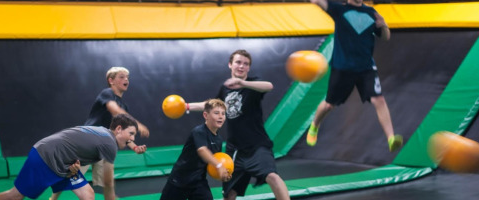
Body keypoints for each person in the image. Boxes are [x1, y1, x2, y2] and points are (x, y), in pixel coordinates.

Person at [187, 50, 289, 200]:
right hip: (235, 150)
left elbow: (269, 86)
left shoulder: (253, 85)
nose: (241, 66)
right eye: (238, 62)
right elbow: (209, 105)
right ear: (230, 65)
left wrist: (243, 83)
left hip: (257, 146)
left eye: (245, 64)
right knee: (230, 194)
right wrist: (187, 106)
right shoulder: (225, 89)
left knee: (272, 176)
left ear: (248, 68)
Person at [308, 0, 403, 152]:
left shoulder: (371, 12)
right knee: (329, 105)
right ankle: (315, 125)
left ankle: (391, 138)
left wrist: (383, 25)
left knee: (379, 99)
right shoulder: (339, 9)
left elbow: (385, 37)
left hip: (366, 68)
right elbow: (319, 2)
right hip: (342, 68)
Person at [51, 66, 149, 200]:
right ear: (111, 80)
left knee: (108, 183)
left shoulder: (124, 107)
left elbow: (123, 134)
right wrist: (137, 124)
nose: (126, 79)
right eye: (121, 77)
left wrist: (135, 147)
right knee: (70, 174)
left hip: (105, 146)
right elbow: (113, 110)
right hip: (87, 142)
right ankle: (53, 199)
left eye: (127, 77)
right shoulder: (107, 93)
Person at [0, 114, 138, 200]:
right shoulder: (110, 144)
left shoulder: (102, 133)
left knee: (88, 195)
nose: (132, 138)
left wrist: (75, 167)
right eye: (130, 133)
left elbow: (77, 147)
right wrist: (110, 197)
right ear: (118, 129)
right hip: (45, 157)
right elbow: (107, 179)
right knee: (15, 196)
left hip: (65, 164)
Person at [160, 99, 231, 200]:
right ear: (206, 115)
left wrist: (223, 175)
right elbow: (202, 150)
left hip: (198, 182)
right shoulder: (199, 131)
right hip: (179, 180)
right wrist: (219, 165)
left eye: (223, 114)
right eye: (216, 113)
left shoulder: (218, 140)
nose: (221, 116)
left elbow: (210, 163)